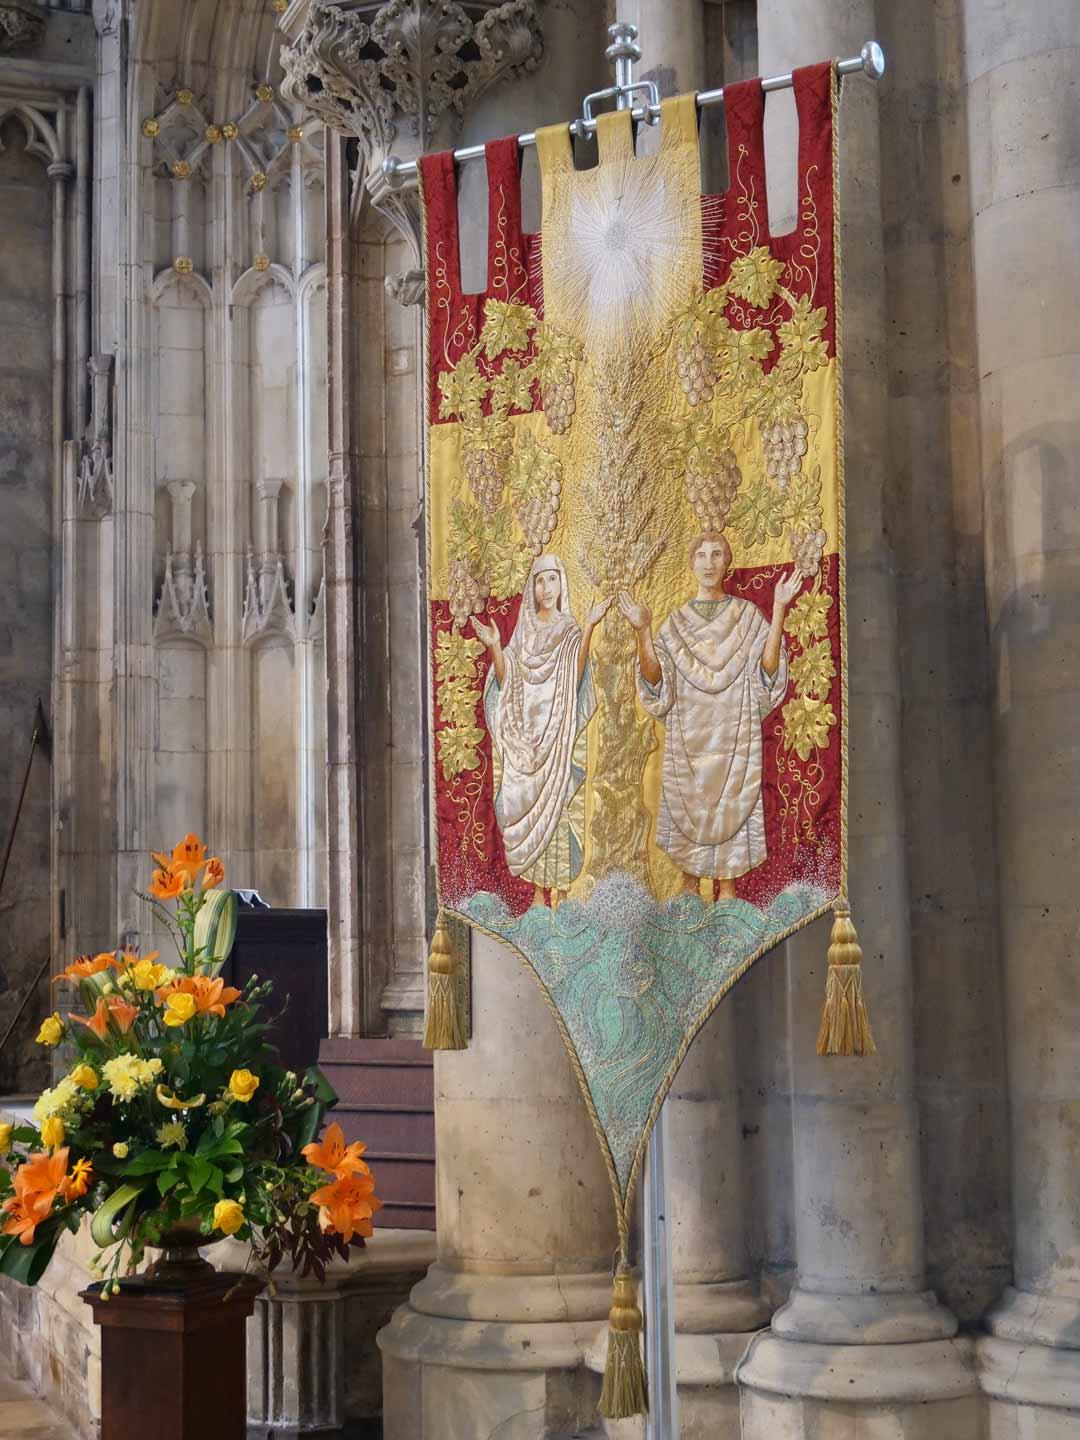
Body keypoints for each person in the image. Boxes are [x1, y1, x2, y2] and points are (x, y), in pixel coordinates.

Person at [619, 531, 801, 900]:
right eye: (700, 554)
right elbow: (657, 685)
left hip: (735, 735)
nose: (708, 562)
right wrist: (643, 631)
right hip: (690, 739)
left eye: (716, 554)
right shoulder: (675, 624)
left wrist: (779, 608)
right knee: (689, 811)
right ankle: (688, 889)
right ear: (691, 563)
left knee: (733, 806)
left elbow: (765, 675)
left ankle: (729, 893)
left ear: (727, 562)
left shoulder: (747, 617)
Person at [473, 556, 609, 907]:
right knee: (528, 810)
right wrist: (493, 646)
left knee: (558, 810)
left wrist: (590, 627)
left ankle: (561, 894)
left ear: (562, 584)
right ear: (531, 587)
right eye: (539, 581)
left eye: (552, 580)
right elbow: (508, 681)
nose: (546, 588)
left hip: (558, 737)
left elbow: (576, 676)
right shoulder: (522, 634)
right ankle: (536, 898)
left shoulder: (569, 630)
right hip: (524, 740)